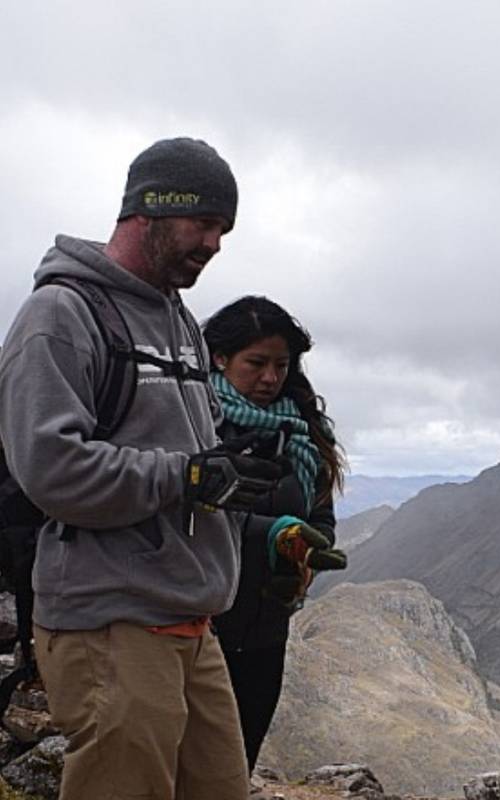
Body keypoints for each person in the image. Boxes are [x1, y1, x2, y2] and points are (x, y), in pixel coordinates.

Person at [0, 138, 329, 799]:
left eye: (223, 230)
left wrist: (234, 489)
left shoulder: (177, 322)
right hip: (111, 622)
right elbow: (50, 468)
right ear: (147, 211)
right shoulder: (61, 315)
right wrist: (185, 478)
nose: (213, 244)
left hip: (190, 619)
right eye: (203, 223)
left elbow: (189, 460)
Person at [203, 295, 348, 771]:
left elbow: (319, 514)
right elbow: (195, 513)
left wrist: (305, 554)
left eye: (281, 365)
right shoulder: (196, 420)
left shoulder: (304, 432)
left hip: (267, 626)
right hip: (202, 624)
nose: (270, 378)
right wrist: (274, 533)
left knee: (238, 762)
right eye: (257, 363)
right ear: (221, 358)